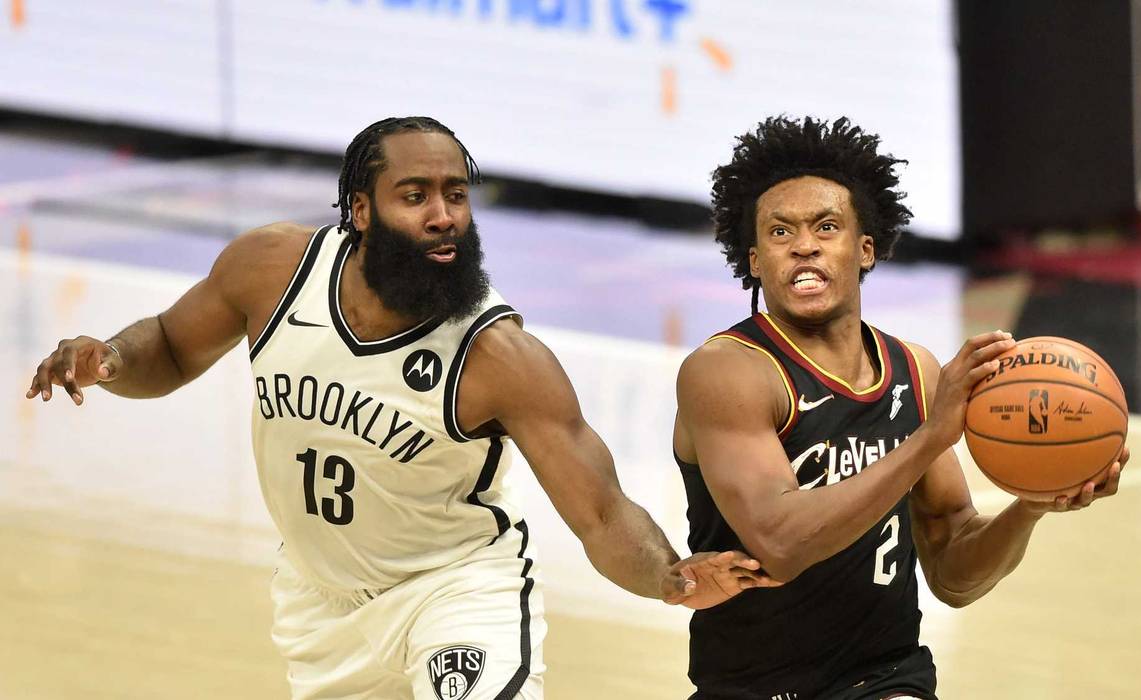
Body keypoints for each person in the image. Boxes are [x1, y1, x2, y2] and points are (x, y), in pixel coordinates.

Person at [25, 116, 772, 700]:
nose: (444, 215)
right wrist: (111, 358)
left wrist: (669, 577)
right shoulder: (271, 270)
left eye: (456, 195)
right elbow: (170, 346)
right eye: (415, 196)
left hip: (454, 590)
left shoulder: (498, 356)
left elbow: (602, 514)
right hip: (321, 604)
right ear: (360, 210)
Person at [672, 116, 1130, 700]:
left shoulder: (914, 370)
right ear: (756, 260)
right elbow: (779, 543)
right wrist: (929, 437)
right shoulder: (727, 372)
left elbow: (954, 575)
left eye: (826, 227)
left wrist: (1030, 506)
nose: (804, 245)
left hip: (885, 678)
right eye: (780, 232)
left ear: (865, 249)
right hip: (751, 688)